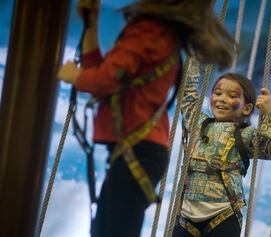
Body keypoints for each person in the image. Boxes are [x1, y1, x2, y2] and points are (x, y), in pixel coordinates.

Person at [57, 0, 237, 236]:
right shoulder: (158, 33)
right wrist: (91, 26)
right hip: (139, 149)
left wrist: (76, 77)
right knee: (105, 230)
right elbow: (104, 73)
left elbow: (104, 80)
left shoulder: (150, 32)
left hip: (139, 150)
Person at [172, 60, 271, 237]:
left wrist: (269, 113)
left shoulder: (246, 134)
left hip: (223, 216)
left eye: (232, 96)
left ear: (247, 108)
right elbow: (187, 96)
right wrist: (197, 58)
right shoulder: (199, 123)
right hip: (186, 217)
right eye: (217, 93)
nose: (221, 99)